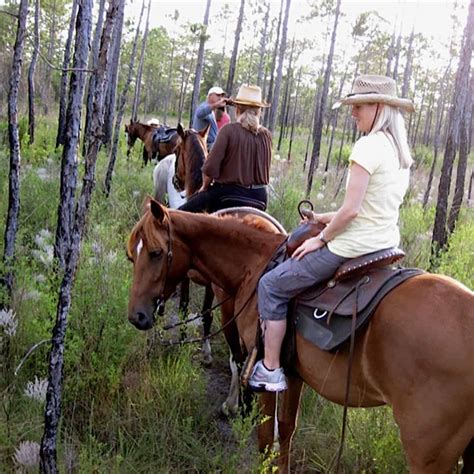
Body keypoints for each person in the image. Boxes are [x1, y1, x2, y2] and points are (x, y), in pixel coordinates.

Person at [248, 74, 415, 392]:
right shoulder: (398, 150)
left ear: (379, 107)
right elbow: (367, 206)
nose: (354, 114)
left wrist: (320, 238)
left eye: (359, 107)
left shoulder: (367, 146)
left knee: (271, 285)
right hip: (384, 244)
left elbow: (352, 211)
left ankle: (270, 368)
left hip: (352, 246)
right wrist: (324, 217)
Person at [179, 84, 272, 213]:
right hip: (260, 199)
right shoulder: (266, 135)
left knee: (177, 216)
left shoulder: (228, 130)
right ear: (259, 112)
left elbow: (210, 169)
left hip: (228, 197)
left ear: (237, 109)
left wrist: (204, 187)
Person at [193, 86, 228, 150]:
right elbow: (199, 113)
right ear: (210, 96)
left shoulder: (212, 110)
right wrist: (217, 104)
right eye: (218, 95)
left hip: (210, 145)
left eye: (221, 96)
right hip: (203, 145)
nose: (220, 98)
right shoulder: (203, 106)